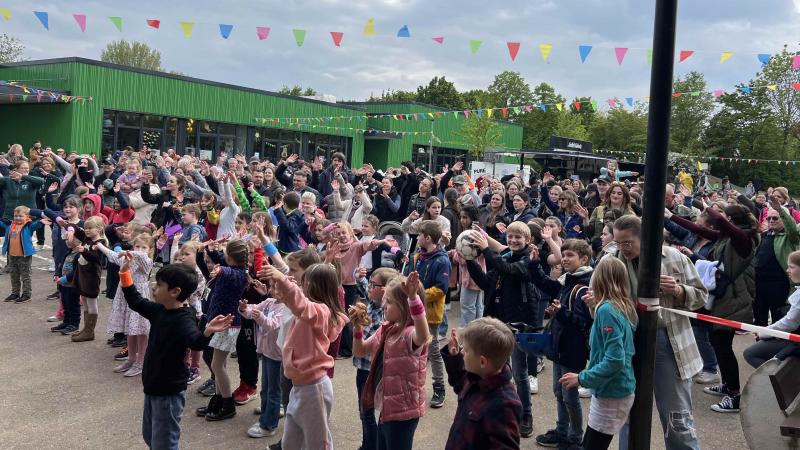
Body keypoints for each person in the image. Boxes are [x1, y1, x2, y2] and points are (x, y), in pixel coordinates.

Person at [118, 253, 234, 450]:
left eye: (159, 285)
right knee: (151, 437)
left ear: (175, 292)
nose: (153, 287)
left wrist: (207, 331)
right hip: (153, 387)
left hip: (169, 391)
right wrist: (124, 272)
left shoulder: (183, 319)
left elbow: (195, 342)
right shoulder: (159, 311)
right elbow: (135, 301)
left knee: (165, 443)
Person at [612, 216, 707, 450]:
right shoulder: (613, 262)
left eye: (628, 243)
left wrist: (678, 289)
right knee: (628, 410)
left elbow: (701, 296)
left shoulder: (674, 257)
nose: (623, 249)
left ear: (643, 238)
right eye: (618, 243)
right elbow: (601, 297)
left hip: (668, 340)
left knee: (676, 414)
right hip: (629, 341)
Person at [258, 262, 347, 450]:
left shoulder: (321, 312)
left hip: (314, 389)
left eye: (305, 283)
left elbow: (301, 305)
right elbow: (295, 304)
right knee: (291, 442)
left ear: (316, 286)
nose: (301, 286)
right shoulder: (313, 311)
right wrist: (283, 286)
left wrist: (283, 280)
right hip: (301, 387)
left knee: (318, 443)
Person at [465, 222, 539, 438]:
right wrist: (470, 261)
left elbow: (509, 271)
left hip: (519, 324)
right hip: (497, 322)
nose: (514, 240)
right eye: (510, 236)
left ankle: (525, 414)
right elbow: (486, 283)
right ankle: (496, 408)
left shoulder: (528, 260)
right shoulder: (503, 257)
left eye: (518, 237)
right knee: (495, 370)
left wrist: (486, 249)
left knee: (519, 372)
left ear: (527, 240)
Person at [560, 257, 637, 450]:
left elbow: (615, 359)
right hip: (613, 389)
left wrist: (583, 378)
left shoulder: (607, 310)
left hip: (612, 391)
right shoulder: (621, 305)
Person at [352, 272, 430, 450]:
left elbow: (424, 335)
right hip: (387, 407)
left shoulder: (410, 334)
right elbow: (359, 350)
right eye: (384, 300)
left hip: (403, 412)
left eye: (389, 302)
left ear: (405, 306)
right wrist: (357, 327)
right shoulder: (386, 329)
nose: (383, 305)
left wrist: (413, 298)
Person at [528, 239, 594, 449]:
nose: (564, 259)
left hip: (572, 350)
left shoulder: (582, 287)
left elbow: (582, 323)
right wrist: (534, 264)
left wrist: (561, 313)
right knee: (559, 392)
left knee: (570, 397)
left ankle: (575, 438)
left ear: (584, 259)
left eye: (570, 256)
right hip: (560, 347)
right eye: (563, 255)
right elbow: (547, 285)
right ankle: (562, 431)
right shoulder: (569, 280)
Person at [441, 317, 522, 450]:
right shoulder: (477, 377)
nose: (462, 352)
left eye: (465, 350)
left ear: (483, 362)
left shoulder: (504, 404)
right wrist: (454, 357)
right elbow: (460, 383)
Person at [404, 220, 451, 409]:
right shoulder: (417, 257)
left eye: (420, 235)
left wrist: (417, 295)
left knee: (432, 350)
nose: (417, 238)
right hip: (410, 311)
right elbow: (408, 278)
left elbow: (441, 289)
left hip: (430, 314)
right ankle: (413, 385)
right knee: (411, 348)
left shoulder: (442, 260)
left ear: (428, 238)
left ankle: (439, 387)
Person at [351, 268, 398, 450]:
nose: (369, 287)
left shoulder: (387, 316)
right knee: (364, 412)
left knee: (370, 413)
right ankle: (368, 444)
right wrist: (359, 276)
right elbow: (362, 285)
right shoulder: (370, 303)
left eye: (374, 285)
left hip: (373, 370)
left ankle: (371, 446)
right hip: (362, 368)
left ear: (386, 290)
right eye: (369, 283)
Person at [98, 233, 156, 376]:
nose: (140, 250)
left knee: (141, 330)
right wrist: (99, 245)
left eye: (144, 247)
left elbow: (140, 256)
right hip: (125, 295)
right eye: (137, 246)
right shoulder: (128, 257)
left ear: (150, 250)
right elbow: (112, 256)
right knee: (131, 329)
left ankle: (141, 362)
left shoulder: (146, 260)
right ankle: (131, 359)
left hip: (139, 296)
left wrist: (127, 252)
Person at [238, 280, 288, 439]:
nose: (271, 290)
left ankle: (268, 425)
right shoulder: (269, 301)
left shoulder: (286, 308)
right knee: (266, 388)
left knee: (273, 390)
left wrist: (258, 317)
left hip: (277, 355)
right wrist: (244, 308)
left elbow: (272, 325)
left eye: (275, 287)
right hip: (266, 352)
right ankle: (268, 411)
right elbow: (252, 310)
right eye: (272, 287)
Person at [744, 249, 800, 368]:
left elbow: (790, 323)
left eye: (792, 267)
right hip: (794, 338)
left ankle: (786, 384)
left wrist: (765, 332)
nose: (788, 271)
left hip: (796, 341)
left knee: (750, 354)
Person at [0, 205, 47, 303]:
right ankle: (15, 293)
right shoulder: (10, 226)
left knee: (25, 276)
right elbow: (1, 223)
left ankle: (26, 294)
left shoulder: (28, 226)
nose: (17, 218)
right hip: (12, 255)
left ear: (27, 217)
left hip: (24, 256)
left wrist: (42, 221)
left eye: (20, 216)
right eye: (15, 216)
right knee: (14, 275)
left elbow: (37, 225)